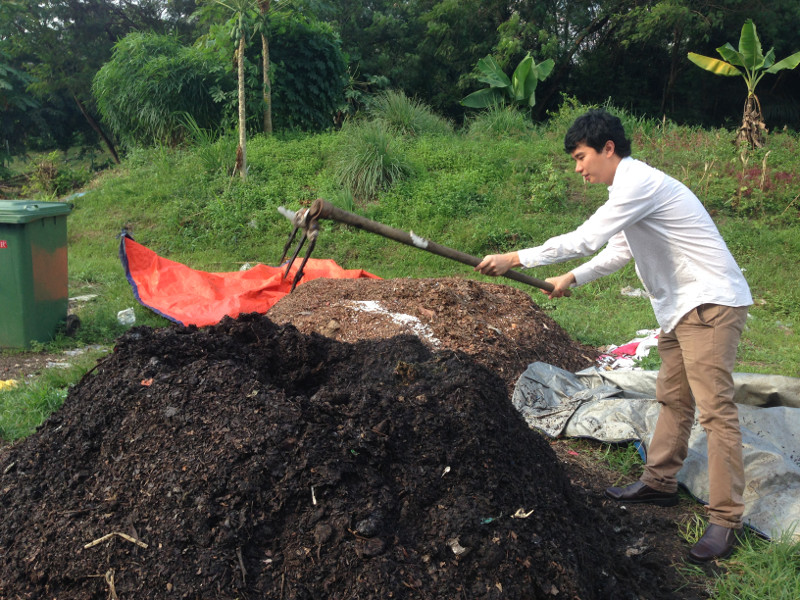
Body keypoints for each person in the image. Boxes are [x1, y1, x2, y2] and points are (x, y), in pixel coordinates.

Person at [475, 108, 752, 563]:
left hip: (709, 304)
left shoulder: (638, 182)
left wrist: (516, 257)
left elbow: (587, 237)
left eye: (581, 157)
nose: (578, 168)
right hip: (681, 309)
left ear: (608, 149)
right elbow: (615, 251)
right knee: (673, 397)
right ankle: (660, 483)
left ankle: (725, 520)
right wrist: (572, 278)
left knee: (715, 412)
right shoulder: (633, 191)